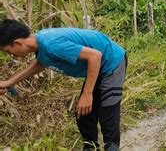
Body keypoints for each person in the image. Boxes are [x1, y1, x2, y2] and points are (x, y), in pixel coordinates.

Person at [0, 19, 126, 150]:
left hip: (111, 62)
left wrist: (87, 94)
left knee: (107, 111)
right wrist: (10, 82)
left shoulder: (51, 44)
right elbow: (41, 63)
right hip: (97, 67)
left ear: (17, 43)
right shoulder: (41, 43)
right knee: (84, 113)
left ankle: (112, 147)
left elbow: (95, 56)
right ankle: (90, 147)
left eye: (8, 51)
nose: (12, 55)